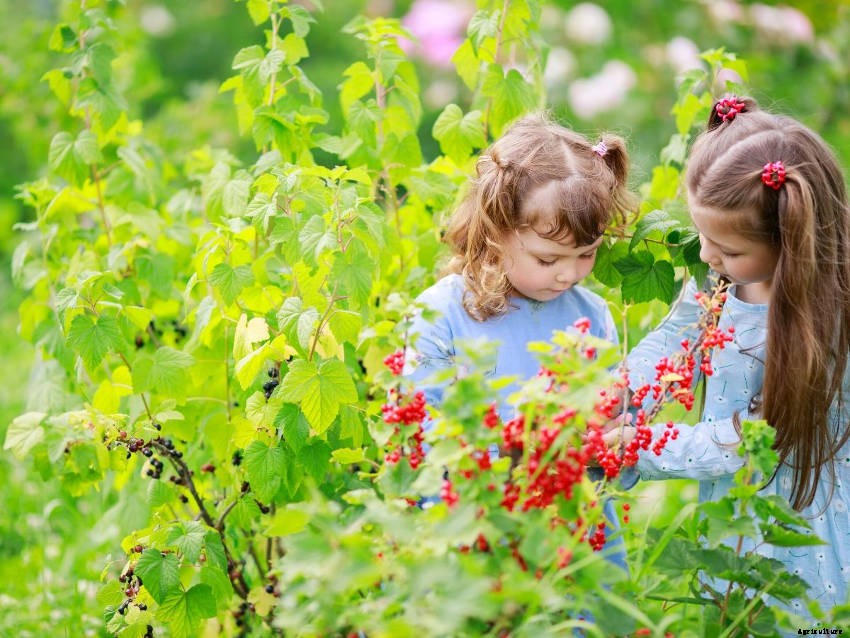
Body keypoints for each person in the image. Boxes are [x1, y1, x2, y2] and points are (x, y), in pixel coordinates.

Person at [609, 96, 850, 619]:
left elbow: (750, 441)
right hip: (735, 517)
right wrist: (616, 391)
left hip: (802, 530)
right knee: (735, 615)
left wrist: (641, 447)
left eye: (730, 250)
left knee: (794, 622)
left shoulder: (824, 326)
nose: (708, 256)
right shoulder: (720, 281)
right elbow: (675, 341)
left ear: (793, 242)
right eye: (703, 236)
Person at [404, 112, 638, 568]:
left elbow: (610, 433)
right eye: (547, 258)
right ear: (496, 232)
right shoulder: (443, 313)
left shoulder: (592, 317)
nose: (568, 273)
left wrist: (614, 438)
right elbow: (423, 438)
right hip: (479, 527)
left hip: (575, 532)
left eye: (586, 254)